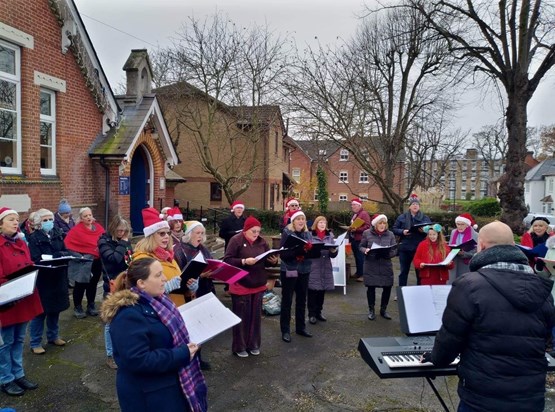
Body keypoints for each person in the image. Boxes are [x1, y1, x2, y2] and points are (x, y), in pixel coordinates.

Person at [421, 221, 555, 412]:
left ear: (481, 246)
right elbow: (546, 340)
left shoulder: (469, 285)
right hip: (529, 397)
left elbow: (450, 339)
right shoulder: (542, 289)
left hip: (481, 398)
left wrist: (436, 359)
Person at [101, 257, 208, 412]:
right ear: (141, 283)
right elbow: (138, 360)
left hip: (165, 387)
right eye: (158, 275)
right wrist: (182, 353)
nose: (165, 279)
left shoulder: (159, 302)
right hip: (148, 396)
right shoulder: (128, 315)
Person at [0, 207, 43, 396]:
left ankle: (18, 374)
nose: (16, 223)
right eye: (10, 219)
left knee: (19, 340)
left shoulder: (21, 242)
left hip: (24, 297)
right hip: (7, 300)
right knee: (5, 342)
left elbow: (28, 263)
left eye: (17, 219)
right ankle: (6, 378)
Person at [223, 216, 278, 357]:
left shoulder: (262, 242)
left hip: (258, 284)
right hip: (241, 284)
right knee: (242, 317)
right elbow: (227, 260)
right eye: (253, 231)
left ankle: (253, 344)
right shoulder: (236, 241)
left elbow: (266, 260)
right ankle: (239, 347)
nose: (256, 234)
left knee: (255, 317)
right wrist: (244, 261)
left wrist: (273, 261)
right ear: (246, 230)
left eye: (258, 231)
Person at [27, 209, 70, 355]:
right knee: (40, 313)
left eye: (50, 219)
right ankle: (35, 342)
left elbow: (64, 250)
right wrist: (53, 256)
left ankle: (53, 336)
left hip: (57, 277)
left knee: (55, 309)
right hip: (43, 279)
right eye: (44, 220)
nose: (48, 222)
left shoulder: (57, 234)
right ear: (39, 223)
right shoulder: (34, 238)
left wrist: (62, 255)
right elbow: (35, 257)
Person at [98, 215, 133, 369]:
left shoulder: (125, 241)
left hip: (127, 284)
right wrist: (123, 243)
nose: (122, 233)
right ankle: (110, 355)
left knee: (126, 318)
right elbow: (114, 259)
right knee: (110, 321)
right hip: (112, 284)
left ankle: (123, 350)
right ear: (113, 228)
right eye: (119, 230)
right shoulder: (104, 242)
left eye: (124, 231)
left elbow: (128, 259)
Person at [132, 208, 186, 307]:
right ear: (151, 236)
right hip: (159, 310)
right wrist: (165, 288)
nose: (166, 236)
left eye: (168, 233)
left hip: (176, 308)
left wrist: (189, 287)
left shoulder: (168, 256)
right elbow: (139, 291)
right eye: (162, 233)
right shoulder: (142, 259)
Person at [279, 210, 314, 342]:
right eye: (298, 219)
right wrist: (297, 251)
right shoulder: (287, 234)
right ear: (293, 221)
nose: (301, 221)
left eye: (302, 219)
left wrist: (310, 250)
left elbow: (312, 252)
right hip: (289, 269)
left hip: (304, 270)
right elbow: (283, 255)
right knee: (287, 300)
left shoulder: (308, 234)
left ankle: (300, 327)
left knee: (301, 299)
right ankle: (285, 330)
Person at [64, 207, 105, 318]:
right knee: (80, 285)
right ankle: (78, 307)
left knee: (93, 285)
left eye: (90, 215)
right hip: (83, 262)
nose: (88, 217)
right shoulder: (76, 230)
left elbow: (104, 241)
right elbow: (68, 244)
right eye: (85, 216)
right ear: (81, 218)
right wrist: (80, 256)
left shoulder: (98, 228)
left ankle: (91, 305)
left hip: (96, 261)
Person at [359, 214, 397, 320]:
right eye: (380, 223)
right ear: (375, 224)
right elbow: (361, 246)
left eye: (384, 223)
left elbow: (394, 249)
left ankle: (383, 310)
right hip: (371, 264)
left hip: (385, 264)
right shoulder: (367, 233)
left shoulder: (390, 234)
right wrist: (365, 250)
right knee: (371, 287)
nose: (382, 225)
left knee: (387, 287)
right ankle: (371, 310)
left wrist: (388, 254)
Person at [392, 194, 431, 287]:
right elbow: (394, 229)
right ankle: (401, 291)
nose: (415, 206)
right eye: (413, 204)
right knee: (403, 271)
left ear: (419, 206)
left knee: (419, 271)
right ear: (409, 206)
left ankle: (419, 290)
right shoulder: (402, 217)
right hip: (405, 247)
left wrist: (424, 231)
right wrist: (402, 231)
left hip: (419, 247)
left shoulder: (425, 218)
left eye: (417, 204)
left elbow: (430, 230)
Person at [307, 216, 338, 325]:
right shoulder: (310, 235)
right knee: (312, 291)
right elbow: (306, 251)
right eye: (320, 222)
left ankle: (319, 312)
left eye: (324, 222)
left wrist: (334, 251)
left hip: (325, 266)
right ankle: (311, 314)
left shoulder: (330, 235)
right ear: (316, 224)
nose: (322, 224)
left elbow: (333, 254)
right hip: (314, 266)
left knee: (322, 291)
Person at [448, 213, 479, 282]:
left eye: (462, 224)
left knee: (465, 283)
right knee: (453, 283)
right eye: (458, 224)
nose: (459, 226)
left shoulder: (475, 235)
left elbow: (476, 252)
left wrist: (464, 253)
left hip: (466, 264)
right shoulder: (453, 232)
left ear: (467, 225)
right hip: (454, 262)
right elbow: (451, 245)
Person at [348, 198, 371, 282]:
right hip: (354, 238)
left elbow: (368, 226)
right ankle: (358, 272)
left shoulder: (364, 214)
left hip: (360, 239)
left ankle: (362, 275)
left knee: (361, 257)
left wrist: (356, 229)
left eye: (354, 205)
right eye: (352, 205)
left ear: (359, 205)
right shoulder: (356, 214)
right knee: (357, 257)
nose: (352, 206)